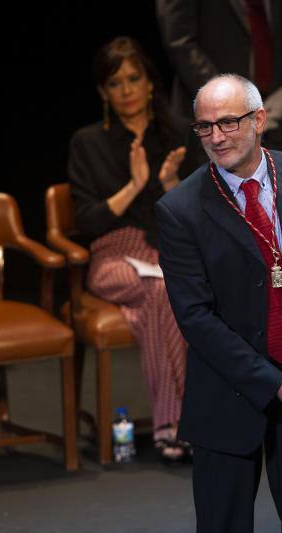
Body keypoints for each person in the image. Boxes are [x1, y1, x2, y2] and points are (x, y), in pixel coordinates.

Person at [155, 73, 282, 532]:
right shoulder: (180, 210)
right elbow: (196, 319)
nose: (216, 137)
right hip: (227, 389)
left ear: (259, 120)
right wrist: (273, 384)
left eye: (229, 122)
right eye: (204, 127)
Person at [67, 36, 199, 463]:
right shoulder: (87, 142)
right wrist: (134, 186)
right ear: (103, 92)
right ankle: (186, 422)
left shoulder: (179, 133)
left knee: (160, 297)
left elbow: (200, 212)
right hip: (112, 255)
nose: (125, 90)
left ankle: (172, 427)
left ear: (149, 83)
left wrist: (171, 184)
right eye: (114, 83)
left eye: (133, 79)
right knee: (164, 291)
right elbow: (88, 221)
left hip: (164, 250)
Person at [155, 0, 282, 153]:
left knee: (280, 173)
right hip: (210, 122)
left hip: (280, 121)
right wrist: (226, 96)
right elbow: (179, 40)